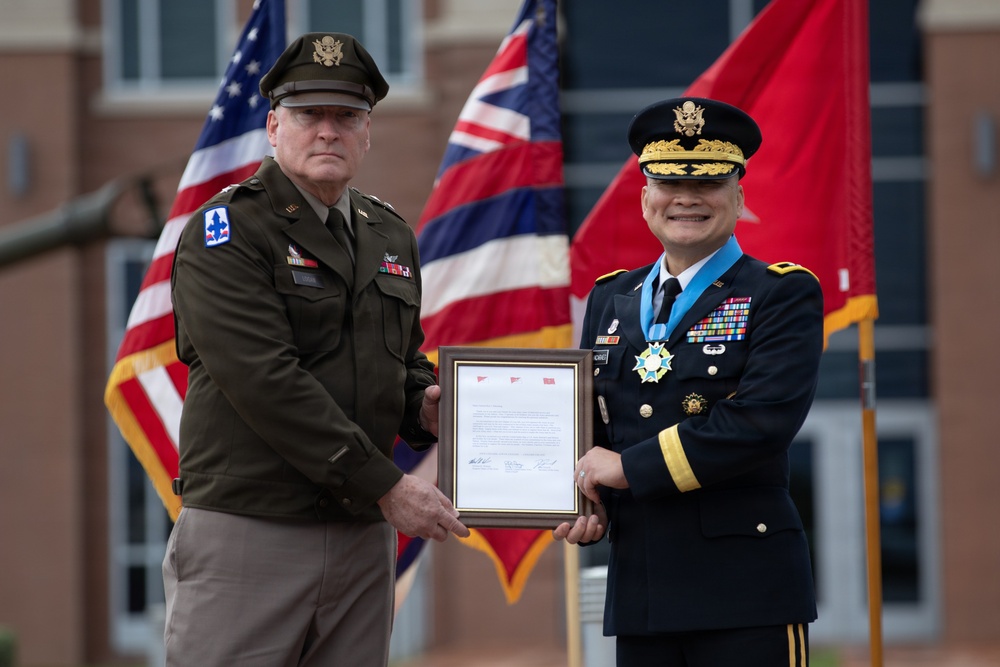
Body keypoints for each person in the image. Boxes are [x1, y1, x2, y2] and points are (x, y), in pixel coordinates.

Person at [163, 32, 469, 667]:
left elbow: (399, 358)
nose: (328, 131)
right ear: (274, 127)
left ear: (367, 133)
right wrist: (388, 486)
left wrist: (426, 405)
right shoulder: (227, 232)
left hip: (359, 536)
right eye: (310, 115)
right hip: (253, 529)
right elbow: (265, 380)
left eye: (347, 117)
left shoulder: (389, 233)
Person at [554, 97, 824, 667]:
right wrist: (580, 496)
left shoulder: (780, 293)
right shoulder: (611, 297)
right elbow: (586, 421)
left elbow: (759, 422)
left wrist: (625, 470)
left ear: (739, 196)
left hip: (745, 593)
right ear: (645, 194)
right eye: (669, 180)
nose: (687, 197)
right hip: (642, 590)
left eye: (709, 182)